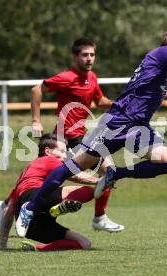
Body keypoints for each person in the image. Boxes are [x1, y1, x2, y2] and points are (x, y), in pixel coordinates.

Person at [16, 27, 167, 237]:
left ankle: (116, 174)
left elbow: (154, 88)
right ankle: (30, 207)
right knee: (74, 166)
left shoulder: (160, 64)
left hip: (138, 126)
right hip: (119, 121)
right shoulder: (163, 52)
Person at [28, 37, 124, 233]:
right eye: (84, 55)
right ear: (74, 57)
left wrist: (122, 104)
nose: (89, 59)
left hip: (80, 136)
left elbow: (100, 101)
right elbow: (36, 89)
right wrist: (36, 120)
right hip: (65, 138)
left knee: (44, 179)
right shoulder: (66, 77)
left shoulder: (92, 77)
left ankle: (7, 206)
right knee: (44, 179)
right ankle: (99, 218)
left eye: (92, 55)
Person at [0, 134, 105, 251]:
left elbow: (8, 210)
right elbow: (76, 176)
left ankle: (37, 248)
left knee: (84, 243)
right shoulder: (48, 160)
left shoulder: (24, 176)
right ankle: (56, 209)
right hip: (33, 199)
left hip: (30, 228)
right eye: (62, 151)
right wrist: (101, 180)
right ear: (48, 151)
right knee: (89, 191)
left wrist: (2, 244)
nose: (65, 156)